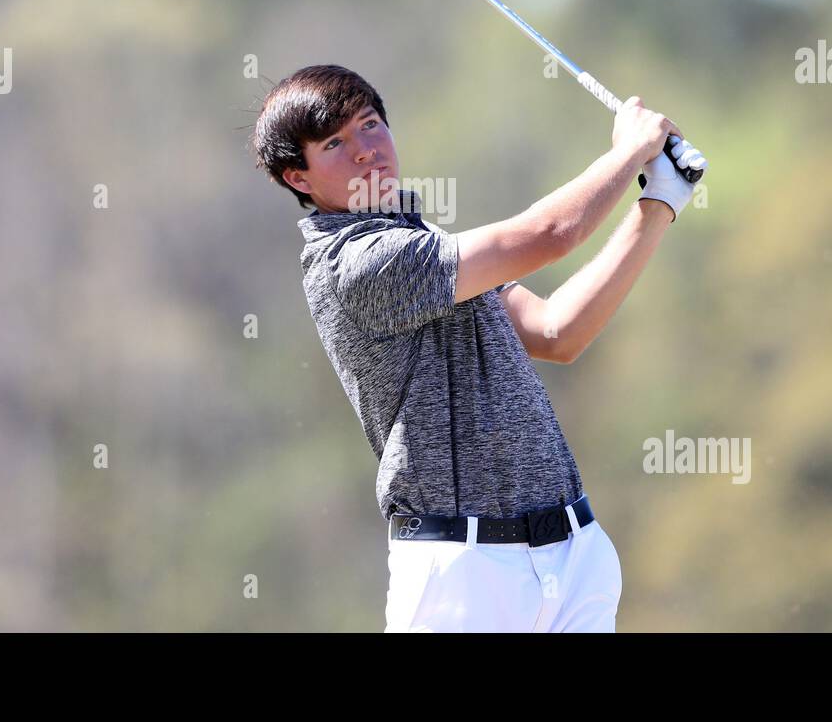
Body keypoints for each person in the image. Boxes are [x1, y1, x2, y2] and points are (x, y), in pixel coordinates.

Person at [249, 64, 706, 631]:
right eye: (335, 142)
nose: (365, 149)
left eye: (370, 124)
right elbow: (549, 236)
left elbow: (556, 332)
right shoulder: (355, 265)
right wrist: (627, 153)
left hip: (572, 554)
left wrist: (659, 200)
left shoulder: (425, 245)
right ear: (300, 178)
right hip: (464, 575)